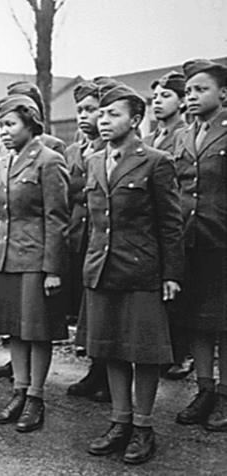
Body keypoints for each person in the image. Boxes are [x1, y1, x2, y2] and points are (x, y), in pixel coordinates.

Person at [82, 85, 183, 464]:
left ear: (135, 120)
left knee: (144, 353)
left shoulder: (156, 161)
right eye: (101, 114)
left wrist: (171, 274)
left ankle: (143, 427)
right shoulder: (94, 161)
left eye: (114, 114)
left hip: (141, 270)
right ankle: (119, 422)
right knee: (110, 350)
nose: (103, 121)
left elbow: (170, 223)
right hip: (102, 269)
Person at [0, 94, 69, 433]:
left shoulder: (49, 160)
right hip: (5, 257)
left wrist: (53, 269)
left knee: (37, 331)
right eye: (1, 125)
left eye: (10, 124)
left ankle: (36, 397)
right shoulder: (3, 160)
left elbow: (57, 220)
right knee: (14, 329)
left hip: (35, 259)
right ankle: (19, 391)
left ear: (30, 124)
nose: (3, 131)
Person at [173, 59, 227, 432]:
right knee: (197, 321)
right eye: (188, 91)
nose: (192, 96)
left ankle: (225, 394)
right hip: (189, 242)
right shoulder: (181, 136)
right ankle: (204, 389)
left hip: (222, 243)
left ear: (223, 93)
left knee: (225, 323)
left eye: (200, 89)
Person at [142, 71, 192, 381]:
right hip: (151, 222)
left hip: (181, 219)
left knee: (179, 289)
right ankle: (162, 348)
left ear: (182, 101)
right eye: (155, 97)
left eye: (166, 96)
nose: (158, 102)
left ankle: (182, 352)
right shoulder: (149, 140)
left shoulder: (185, 135)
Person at [64, 81, 110, 403]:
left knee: (104, 309)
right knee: (88, 308)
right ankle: (96, 370)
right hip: (79, 237)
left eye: (91, 109)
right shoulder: (73, 151)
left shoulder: (109, 151)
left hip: (102, 237)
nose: (84, 115)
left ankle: (107, 375)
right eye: (80, 110)